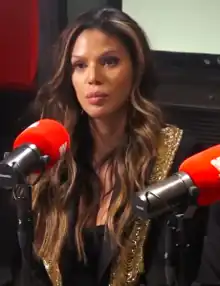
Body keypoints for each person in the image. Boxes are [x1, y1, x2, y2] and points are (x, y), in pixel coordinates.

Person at [0, 6, 208, 286]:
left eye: (109, 62)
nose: (93, 77)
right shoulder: (49, 155)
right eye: (80, 65)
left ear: (136, 70)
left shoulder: (179, 159)